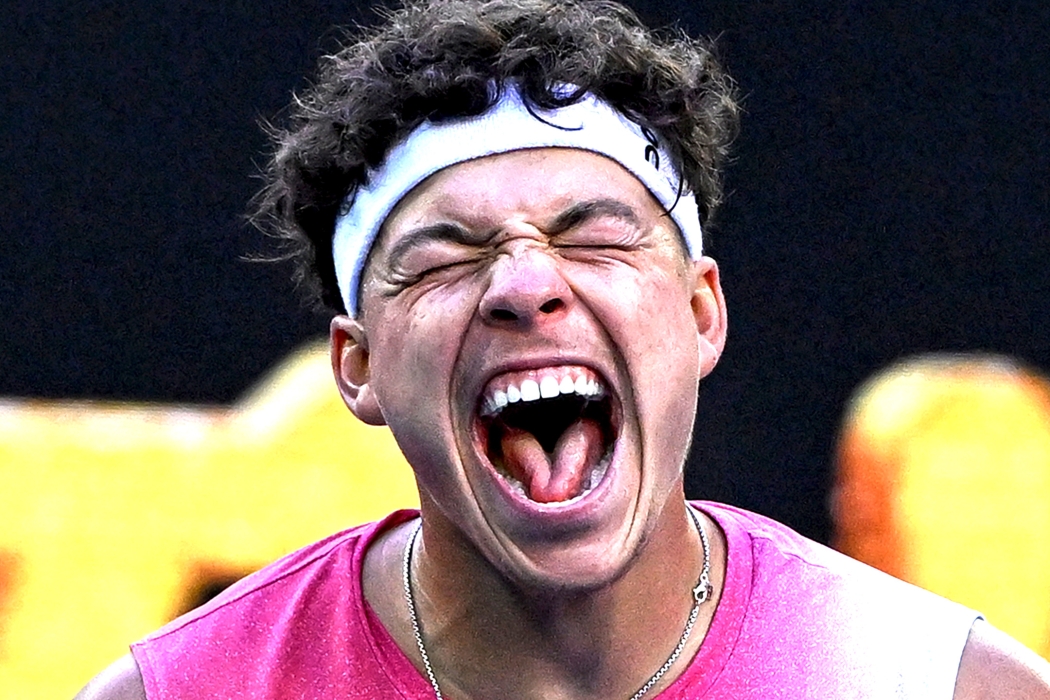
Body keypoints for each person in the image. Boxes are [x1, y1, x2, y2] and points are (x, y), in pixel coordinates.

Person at [77, 1, 1050, 698]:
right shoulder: (179, 691)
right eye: (446, 256)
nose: (524, 282)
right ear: (357, 366)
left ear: (701, 311)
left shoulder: (939, 684)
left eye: (593, 236)